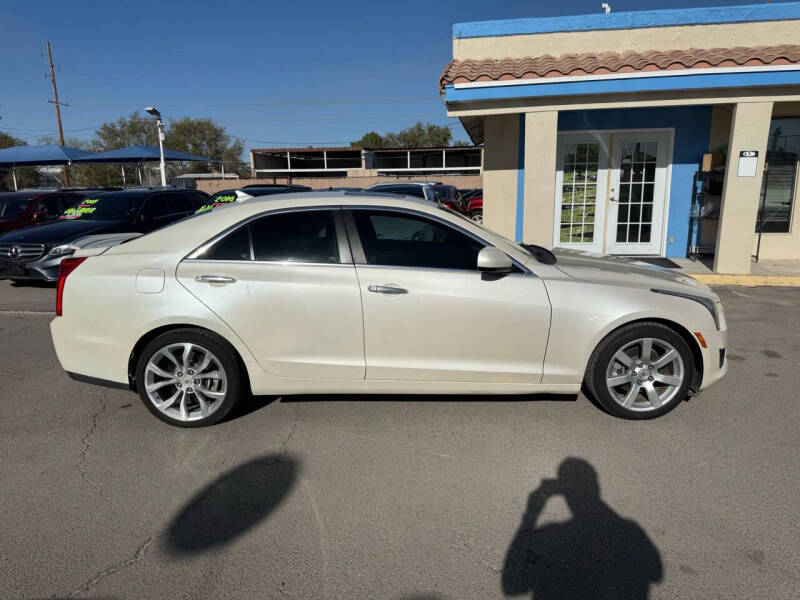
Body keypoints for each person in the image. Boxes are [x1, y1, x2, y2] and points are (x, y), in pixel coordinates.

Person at [502, 458, 663, 600]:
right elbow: (657, 573)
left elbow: (511, 585)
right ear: (596, 487)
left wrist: (531, 515)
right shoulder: (629, 533)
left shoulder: (550, 537)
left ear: (564, 493)